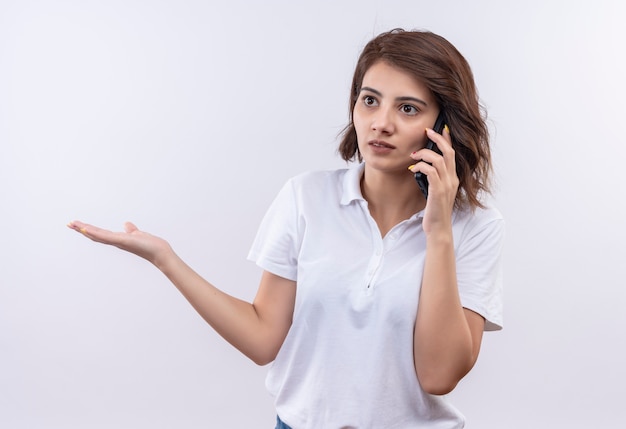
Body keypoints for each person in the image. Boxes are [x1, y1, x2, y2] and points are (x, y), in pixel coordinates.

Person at [68, 28, 504, 429]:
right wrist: (166, 259)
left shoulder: (477, 227)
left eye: (407, 108)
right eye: (369, 100)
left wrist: (439, 231)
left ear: (444, 126)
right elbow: (263, 339)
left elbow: (439, 374)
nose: (381, 122)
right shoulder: (305, 198)